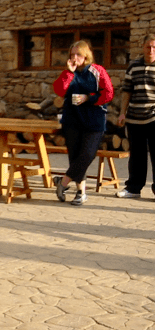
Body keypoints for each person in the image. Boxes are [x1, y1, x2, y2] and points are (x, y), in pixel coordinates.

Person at [52, 40, 114, 205]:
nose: (74, 58)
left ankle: (62, 182)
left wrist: (88, 98)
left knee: (87, 155)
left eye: (78, 54)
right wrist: (68, 72)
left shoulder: (97, 70)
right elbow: (59, 90)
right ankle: (81, 193)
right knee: (75, 157)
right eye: (72, 54)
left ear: (86, 56)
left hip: (94, 122)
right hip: (72, 121)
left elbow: (108, 93)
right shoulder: (68, 73)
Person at [116, 34, 155, 199]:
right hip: (134, 118)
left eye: (154, 47)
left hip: (153, 116)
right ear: (143, 47)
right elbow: (126, 91)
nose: (151, 50)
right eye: (148, 47)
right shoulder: (133, 66)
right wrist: (122, 112)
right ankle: (133, 188)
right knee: (137, 156)